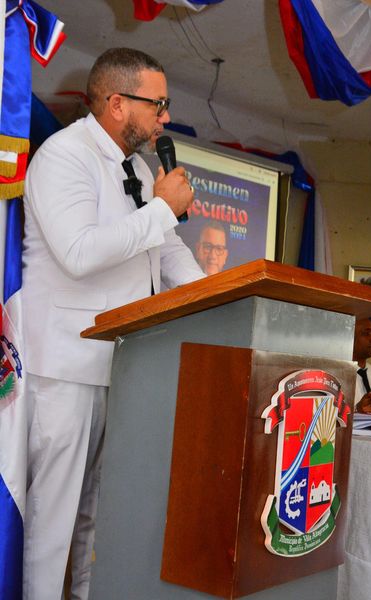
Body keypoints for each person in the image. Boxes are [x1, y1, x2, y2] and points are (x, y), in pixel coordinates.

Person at [21, 48, 205, 600]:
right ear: (118, 103)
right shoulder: (64, 156)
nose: (166, 117)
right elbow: (78, 253)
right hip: (67, 368)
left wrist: (213, 294)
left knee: (98, 518)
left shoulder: (139, 169)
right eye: (158, 104)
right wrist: (161, 209)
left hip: (121, 370)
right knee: (53, 522)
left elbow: (166, 251)